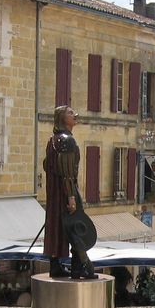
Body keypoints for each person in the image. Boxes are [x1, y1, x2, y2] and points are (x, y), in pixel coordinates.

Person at [42, 106, 95, 279]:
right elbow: (67, 173)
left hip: (55, 194)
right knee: (76, 228)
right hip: (66, 192)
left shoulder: (53, 140)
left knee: (56, 227)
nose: (75, 115)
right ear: (63, 118)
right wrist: (71, 197)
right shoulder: (67, 141)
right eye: (71, 113)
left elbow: (47, 166)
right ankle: (79, 268)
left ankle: (55, 266)